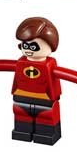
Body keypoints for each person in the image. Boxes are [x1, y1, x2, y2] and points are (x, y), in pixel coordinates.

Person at [11, 17, 62, 145]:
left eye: (33, 46)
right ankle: (22, 132)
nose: (28, 50)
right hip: (21, 96)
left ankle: (47, 134)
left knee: (46, 116)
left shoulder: (49, 66)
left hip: (45, 99)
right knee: (21, 114)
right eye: (25, 45)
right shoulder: (20, 64)